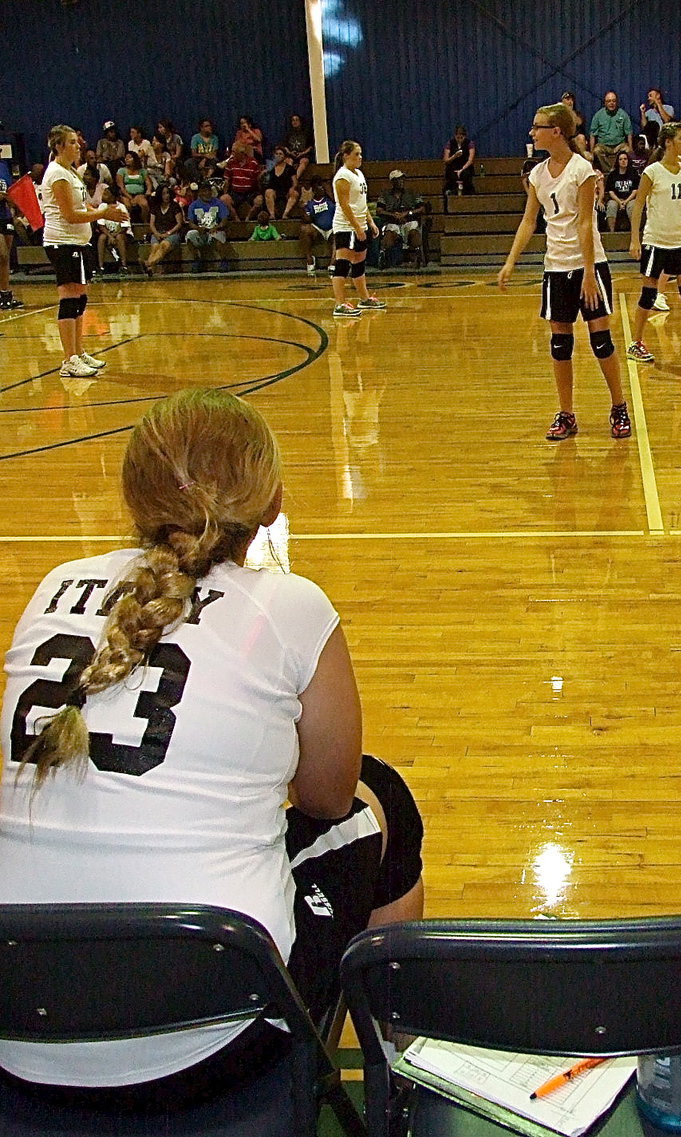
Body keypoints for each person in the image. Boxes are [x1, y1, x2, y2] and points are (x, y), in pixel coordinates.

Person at [0, 387, 425, 1106]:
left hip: (18, 1007)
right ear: (273, 503)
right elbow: (324, 795)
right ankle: (397, 1070)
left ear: (133, 498)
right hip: (210, 1027)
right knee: (379, 801)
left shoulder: (51, 584)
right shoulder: (292, 604)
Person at [498, 103, 630, 442]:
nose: (532, 132)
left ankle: (618, 406)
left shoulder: (581, 170)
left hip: (587, 264)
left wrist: (589, 272)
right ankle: (567, 414)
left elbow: (587, 222)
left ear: (556, 131)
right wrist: (510, 262)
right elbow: (530, 221)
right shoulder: (538, 174)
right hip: (555, 267)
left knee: (601, 341)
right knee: (560, 343)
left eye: (537, 126)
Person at [40, 124, 127, 378]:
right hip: (63, 242)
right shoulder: (57, 174)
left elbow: (84, 207)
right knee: (69, 298)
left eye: (78, 142)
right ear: (59, 146)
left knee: (80, 298)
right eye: (72, 142)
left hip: (77, 242)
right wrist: (102, 212)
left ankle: (78, 351)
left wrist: (104, 210)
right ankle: (69, 360)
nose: (78, 146)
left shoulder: (71, 172)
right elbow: (68, 215)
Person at [627, 122, 681, 366]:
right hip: (655, 241)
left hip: (679, 241)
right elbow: (638, 206)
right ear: (668, 142)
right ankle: (636, 343)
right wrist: (635, 238)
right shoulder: (652, 171)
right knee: (648, 294)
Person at [331, 140, 385, 317]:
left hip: (360, 224)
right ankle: (340, 304)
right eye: (356, 154)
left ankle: (364, 298)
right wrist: (356, 227)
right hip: (346, 227)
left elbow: (361, 203)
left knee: (359, 263)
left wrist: (370, 222)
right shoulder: (342, 177)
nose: (360, 157)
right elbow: (345, 205)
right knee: (342, 264)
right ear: (346, 156)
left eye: (361, 154)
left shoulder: (359, 174)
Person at [376, 169, 429, 267]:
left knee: (413, 230)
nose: (401, 181)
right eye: (398, 179)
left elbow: (422, 209)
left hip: (409, 220)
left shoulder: (412, 193)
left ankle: (416, 255)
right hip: (392, 222)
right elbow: (379, 210)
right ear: (392, 182)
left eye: (402, 179)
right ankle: (384, 256)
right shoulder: (385, 194)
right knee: (389, 233)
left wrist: (407, 213)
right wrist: (393, 215)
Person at [184, 181, 231, 274]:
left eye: (208, 190)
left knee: (217, 236)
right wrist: (198, 228)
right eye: (204, 191)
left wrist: (217, 227)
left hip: (216, 230)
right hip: (201, 231)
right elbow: (190, 223)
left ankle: (224, 261)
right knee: (189, 236)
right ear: (200, 193)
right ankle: (196, 260)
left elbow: (224, 219)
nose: (207, 193)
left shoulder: (218, 203)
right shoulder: (193, 205)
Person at [144, 183, 184, 276]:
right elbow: (152, 224)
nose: (167, 196)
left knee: (163, 245)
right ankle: (150, 268)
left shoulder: (175, 206)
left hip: (172, 233)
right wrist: (156, 234)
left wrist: (169, 233)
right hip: (158, 232)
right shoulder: (155, 207)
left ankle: (148, 264)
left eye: (167, 193)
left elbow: (179, 223)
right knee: (154, 247)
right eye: (163, 194)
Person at [589, 92, 633, 174]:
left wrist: (631, 148)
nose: (611, 103)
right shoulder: (598, 115)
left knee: (626, 150)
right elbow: (592, 134)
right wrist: (591, 152)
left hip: (619, 145)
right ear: (605, 103)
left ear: (617, 102)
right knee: (597, 150)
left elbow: (629, 133)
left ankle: (617, 171)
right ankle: (609, 171)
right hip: (604, 145)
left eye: (613, 101)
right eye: (609, 101)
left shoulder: (623, 114)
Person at [299, 181, 335, 275]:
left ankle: (333, 262)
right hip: (318, 229)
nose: (321, 189)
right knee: (304, 229)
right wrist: (303, 209)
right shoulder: (310, 204)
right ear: (314, 191)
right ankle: (310, 259)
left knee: (338, 233)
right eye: (319, 188)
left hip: (332, 228)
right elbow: (307, 219)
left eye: (322, 188)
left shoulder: (330, 199)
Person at [0, 177, 24, 309]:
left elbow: (11, 191)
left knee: (5, 259)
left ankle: (5, 294)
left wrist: (11, 201)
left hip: (5, 216)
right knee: (2, 254)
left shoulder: (3, 166)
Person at [604, 150, 638, 232]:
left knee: (632, 206)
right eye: (621, 159)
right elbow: (611, 191)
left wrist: (626, 201)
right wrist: (619, 202)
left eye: (625, 159)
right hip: (616, 199)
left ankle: (634, 231)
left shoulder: (633, 173)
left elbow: (635, 190)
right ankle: (612, 231)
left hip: (630, 199)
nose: (623, 161)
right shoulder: (612, 175)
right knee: (611, 205)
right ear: (618, 161)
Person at [115, 151, 150, 223]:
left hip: (139, 194)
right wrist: (130, 197)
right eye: (126, 158)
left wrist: (148, 192)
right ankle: (127, 225)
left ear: (135, 159)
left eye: (129, 158)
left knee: (144, 204)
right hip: (125, 194)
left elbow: (148, 184)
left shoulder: (142, 171)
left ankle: (144, 224)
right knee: (127, 206)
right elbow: (121, 187)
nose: (126, 159)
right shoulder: (121, 171)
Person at [443, 124, 476, 196]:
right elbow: (446, 160)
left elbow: (470, 160)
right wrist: (454, 156)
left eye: (462, 137)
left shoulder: (469, 143)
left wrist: (462, 169)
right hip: (453, 167)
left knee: (466, 176)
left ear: (465, 136)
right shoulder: (450, 143)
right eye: (458, 137)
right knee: (451, 177)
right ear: (455, 136)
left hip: (465, 167)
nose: (459, 139)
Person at [282, 113, 315, 183]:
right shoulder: (288, 133)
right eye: (293, 120)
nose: (295, 122)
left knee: (304, 162)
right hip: (291, 154)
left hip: (303, 154)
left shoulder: (306, 133)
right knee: (288, 162)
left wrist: (302, 153)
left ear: (300, 122)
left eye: (297, 120)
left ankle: (294, 180)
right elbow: (285, 146)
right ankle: (286, 179)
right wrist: (290, 152)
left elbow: (310, 147)